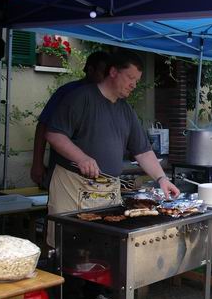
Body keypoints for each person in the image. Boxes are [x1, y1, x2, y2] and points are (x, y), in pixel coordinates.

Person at [45, 49, 179, 215]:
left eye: (136, 80)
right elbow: (54, 134)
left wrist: (162, 179)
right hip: (72, 189)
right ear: (113, 72)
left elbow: (143, 152)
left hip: (109, 192)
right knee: (72, 239)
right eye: (130, 78)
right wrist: (81, 158)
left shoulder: (126, 110)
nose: (134, 85)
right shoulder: (80, 98)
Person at [30, 51, 110, 187]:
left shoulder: (109, 97)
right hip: (66, 173)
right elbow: (43, 125)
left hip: (100, 177)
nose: (107, 78)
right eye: (103, 73)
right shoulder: (68, 92)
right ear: (90, 70)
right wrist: (37, 163)